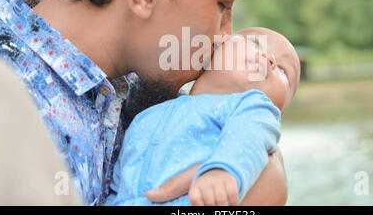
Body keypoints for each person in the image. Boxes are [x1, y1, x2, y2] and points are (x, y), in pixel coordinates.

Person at [0, 0, 289, 205]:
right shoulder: (0, 105)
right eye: (223, 4)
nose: (227, 34)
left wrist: (254, 166)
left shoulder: (144, 78)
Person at [107, 28, 300, 205]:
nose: (270, 59)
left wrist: (223, 169)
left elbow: (251, 137)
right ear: (217, 47)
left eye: (284, 71)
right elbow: (121, 179)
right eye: (255, 43)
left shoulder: (253, 109)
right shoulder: (148, 114)